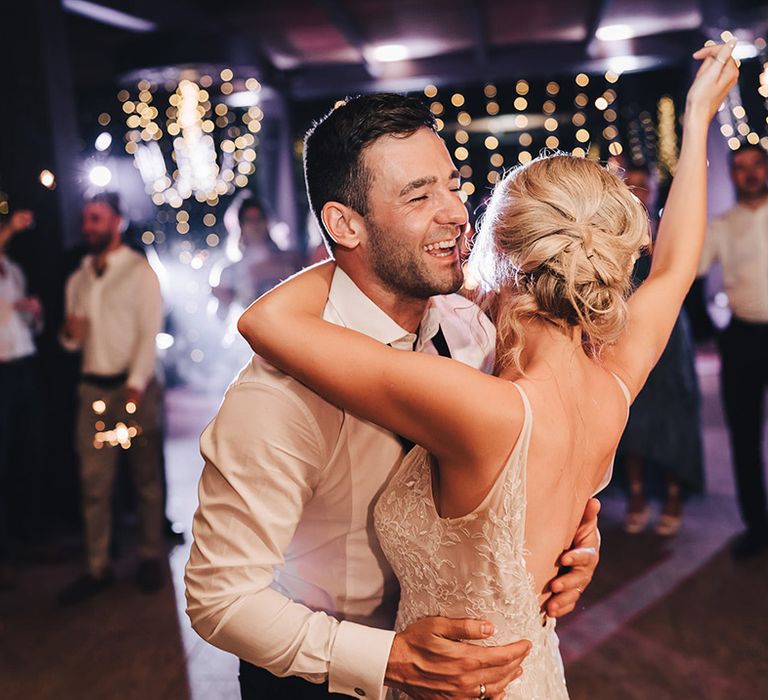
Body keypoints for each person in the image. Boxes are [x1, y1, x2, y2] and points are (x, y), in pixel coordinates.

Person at [237, 44, 737, 698]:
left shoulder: (481, 408)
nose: (454, 222)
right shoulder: (614, 384)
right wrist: (697, 116)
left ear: (500, 254)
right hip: (533, 675)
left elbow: (265, 322)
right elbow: (672, 268)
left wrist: (372, 233)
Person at [185, 94, 602, 700]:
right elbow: (219, 598)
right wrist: (385, 659)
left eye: (453, 185)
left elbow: (523, 460)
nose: (457, 212)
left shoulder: (469, 327)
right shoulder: (279, 397)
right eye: (419, 196)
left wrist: (569, 541)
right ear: (344, 224)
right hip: (324, 679)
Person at [58, 192, 166, 604]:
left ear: (116, 222)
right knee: (94, 482)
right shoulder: (79, 276)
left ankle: (150, 555)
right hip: (92, 388)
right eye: (86, 219)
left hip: (131, 386)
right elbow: (72, 341)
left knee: (144, 477)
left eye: (96, 219)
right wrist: (70, 333)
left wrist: (136, 386)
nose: (88, 227)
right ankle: (98, 566)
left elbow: (148, 334)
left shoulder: (139, 271)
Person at [617, 165, 704, 536]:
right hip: (622, 325)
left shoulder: (665, 227)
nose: (639, 192)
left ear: (653, 189)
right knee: (631, 411)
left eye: (644, 186)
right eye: (631, 186)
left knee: (672, 411)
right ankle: (636, 495)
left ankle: (673, 494)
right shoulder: (613, 229)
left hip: (669, 330)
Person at [698, 142, 768, 559]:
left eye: (756, 164)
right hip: (743, 337)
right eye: (739, 167)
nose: (749, 173)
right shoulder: (720, 226)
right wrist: (713, 331)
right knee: (743, 435)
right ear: (732, 174)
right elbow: (689, 273)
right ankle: (756, 527)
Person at [0, 209, 44, 587]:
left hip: (23, 366)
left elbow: (26, 325)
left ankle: (28, 536)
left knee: (27, 453)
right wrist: (12, 227)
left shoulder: (12, 270)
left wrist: (33, 313)